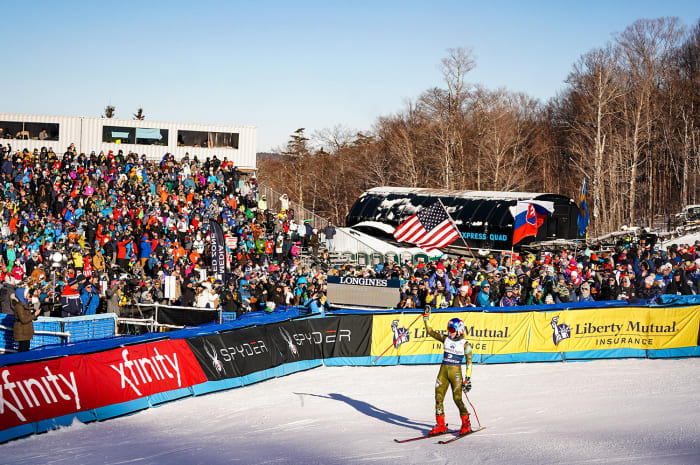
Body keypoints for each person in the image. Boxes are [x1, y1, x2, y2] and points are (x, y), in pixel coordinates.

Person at [422, 306, 473, 436]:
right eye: (448, 329)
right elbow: (430, 332)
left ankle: (466, 424)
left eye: (451, 329)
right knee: (438, 398)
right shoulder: (446, 339)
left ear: (459, 330)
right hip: (443, 370)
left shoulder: (465, 344)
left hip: (455, 373)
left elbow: (469, 362)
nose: (449, 332)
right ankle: (440, 425)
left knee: (457, 399)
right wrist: (426, 318)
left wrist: (467, 379)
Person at [13, 287, 41, 352]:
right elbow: (24, 320)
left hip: (25, 331)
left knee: (25, 349)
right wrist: (34, 315)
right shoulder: (19, 306)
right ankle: (19, 362)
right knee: (23, 349)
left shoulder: (24, 304)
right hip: (22, 332)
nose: (29, 294)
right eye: (27, 293)